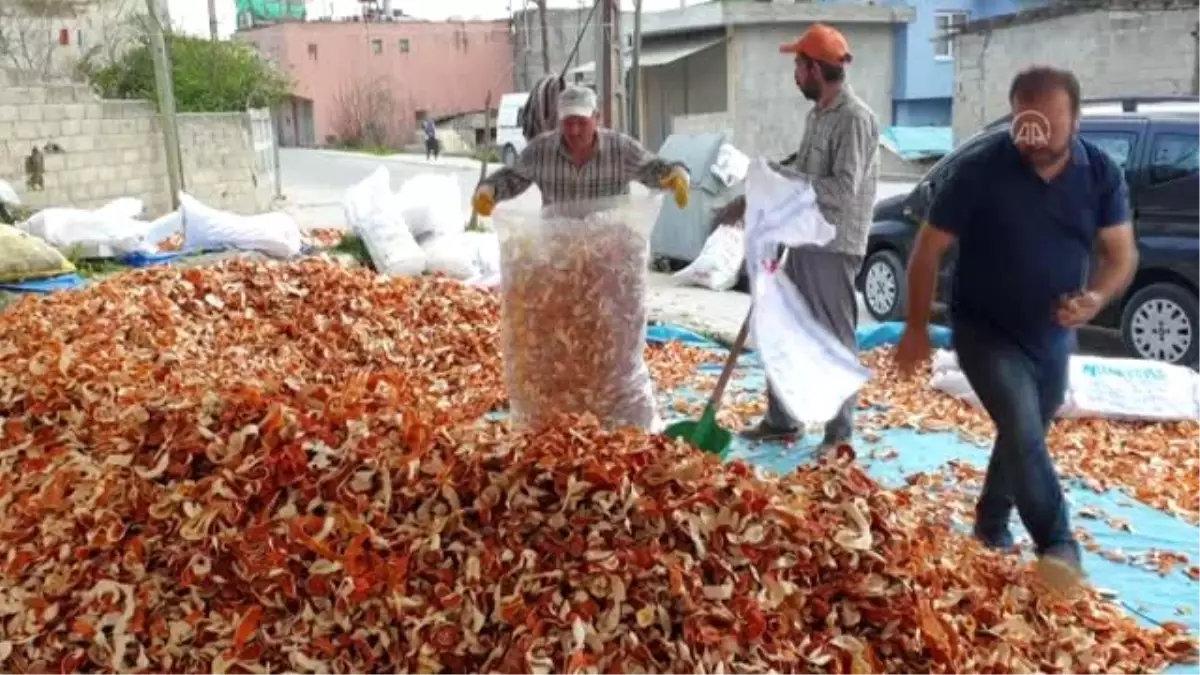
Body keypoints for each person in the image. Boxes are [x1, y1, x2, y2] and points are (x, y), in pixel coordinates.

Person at [894, 66, 1138, 592]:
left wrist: (1094, 297)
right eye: (1028, 123)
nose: (1038, 138)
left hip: (1051, 334)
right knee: (1024, 426)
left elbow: (1120, 254)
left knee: (1024, 430)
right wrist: (915, 327)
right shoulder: (980, 169)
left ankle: (990, 519)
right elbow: (926, 252)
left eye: (1051, 123)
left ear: (1075, 119)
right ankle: (1058, 545)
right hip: (984, 328)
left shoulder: (1100, 173)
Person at [720, 24, 880, 451]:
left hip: (834, 242)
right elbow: (803, 165)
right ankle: (782, 419)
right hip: (803, 237)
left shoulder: (855, 118)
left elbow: (842, 189)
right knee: (782, 322)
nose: (794, 74)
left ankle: (839, 432)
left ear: (814, 68)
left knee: (833, 336)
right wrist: (765, 180)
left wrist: (786, 181)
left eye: (798, 65)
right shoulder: (818, 115)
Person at [471, 85, 690, 212]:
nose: (574, 130)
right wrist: (488, 190)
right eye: (568, 122)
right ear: (559, 120)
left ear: (597, 118)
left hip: (610, 250)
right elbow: (511, 178)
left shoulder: (621, 149)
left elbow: (655, 169)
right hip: (560, 251)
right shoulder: (540, 151)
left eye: (582, 122)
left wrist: (678, 175)